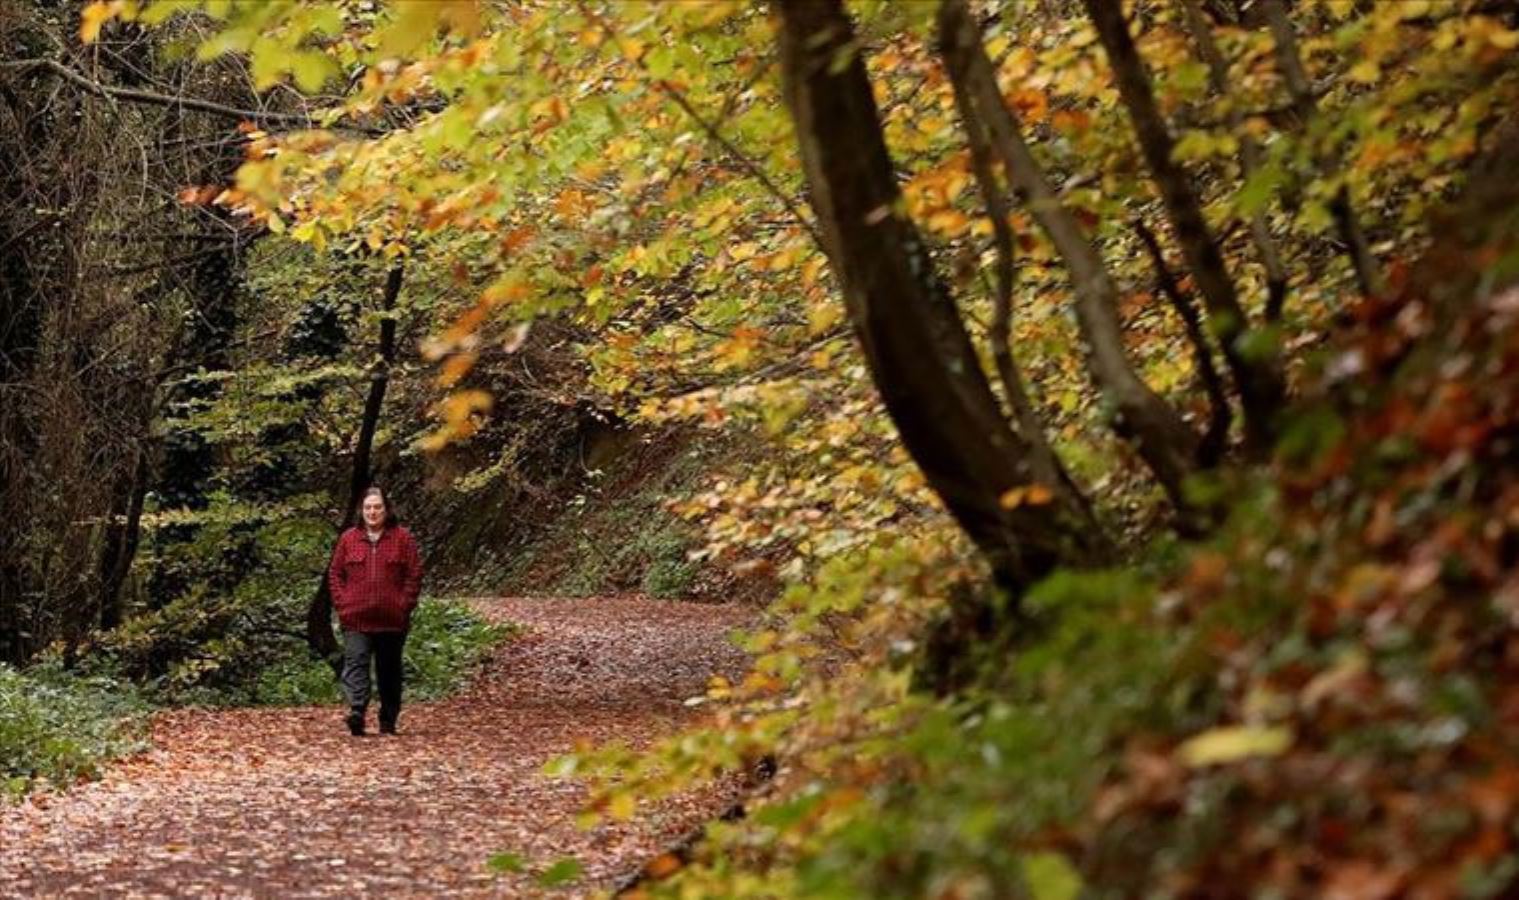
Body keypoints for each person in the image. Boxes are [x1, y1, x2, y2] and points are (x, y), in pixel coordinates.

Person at [327, 486, 423, 736]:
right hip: (356, 618)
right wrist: (343, 604)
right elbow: (336, 574)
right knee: (356, 662)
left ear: (387, 510)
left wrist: (404, 604)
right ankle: (357, 711)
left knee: (389, 670)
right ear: (362, 510)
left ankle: (388, 721)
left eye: (377, 507)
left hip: (392, 619)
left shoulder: (403, 539)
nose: (373, 512)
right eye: (368, 507)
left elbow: (414, 574)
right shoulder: (348, 539)